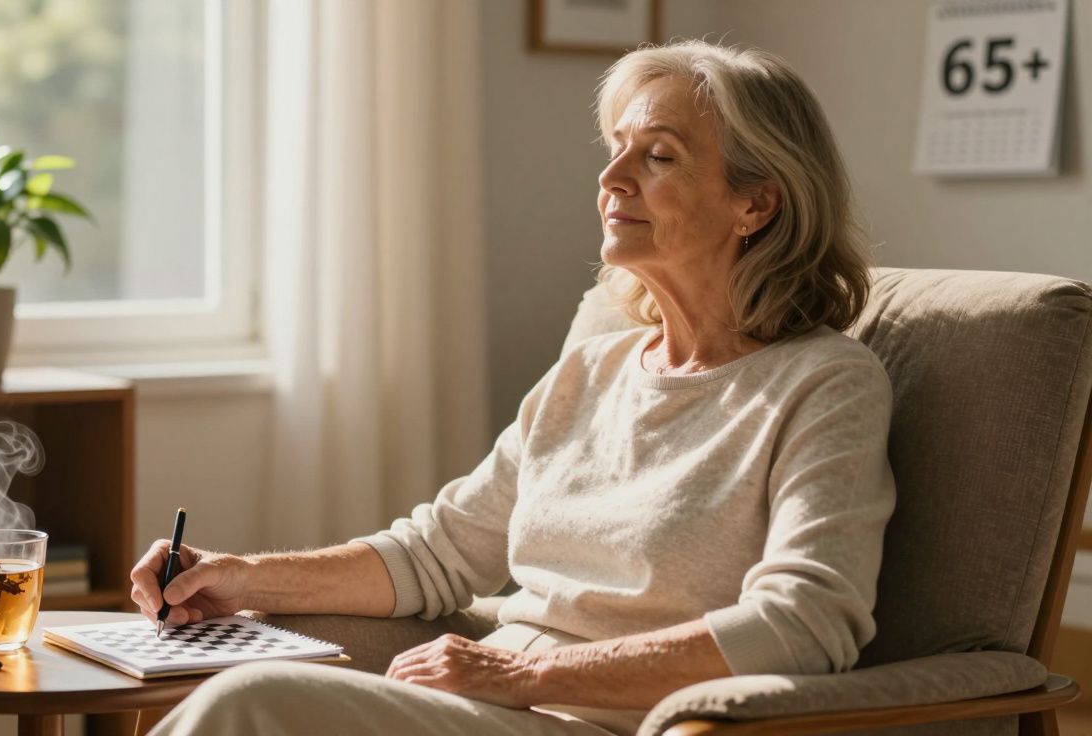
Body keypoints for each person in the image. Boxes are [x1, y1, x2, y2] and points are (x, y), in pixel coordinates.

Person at [130, 39, 895, 736]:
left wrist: (523, 672)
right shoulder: (591, 371)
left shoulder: (823, 384)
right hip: (488, 706)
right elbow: (438, 554)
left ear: (755, 203)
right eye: (616, 149)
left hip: (600, 721)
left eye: (657, 157)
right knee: (229, 679)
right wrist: (236, 576)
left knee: (248, 704)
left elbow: (806, 623)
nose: (610, 178)